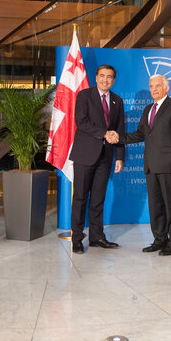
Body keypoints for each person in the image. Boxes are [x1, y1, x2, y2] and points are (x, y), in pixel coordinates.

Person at [107, 74, 171, 255]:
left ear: (166, 88)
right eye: (151, 86)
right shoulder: (148, 109)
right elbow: (140, 134)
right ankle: (159, 239)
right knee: (155, 205)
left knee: (170, 204)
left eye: (158, 86)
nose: (154, 89)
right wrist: (119, 137)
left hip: (168, 166)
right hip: (150, 165)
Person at [70, 64, 125, 254]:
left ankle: (97, 237)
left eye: (109, 77)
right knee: (80, 198)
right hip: (85, 154)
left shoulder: (118, 101)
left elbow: (120, 130)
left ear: (114, 80)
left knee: (98, 199)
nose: (105, 80)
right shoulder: (84, 96)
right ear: (96, 77)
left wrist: (119, 157)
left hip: (106, 157)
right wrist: (104, 133)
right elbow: (81, 122)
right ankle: (77, 238)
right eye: (102, 76)